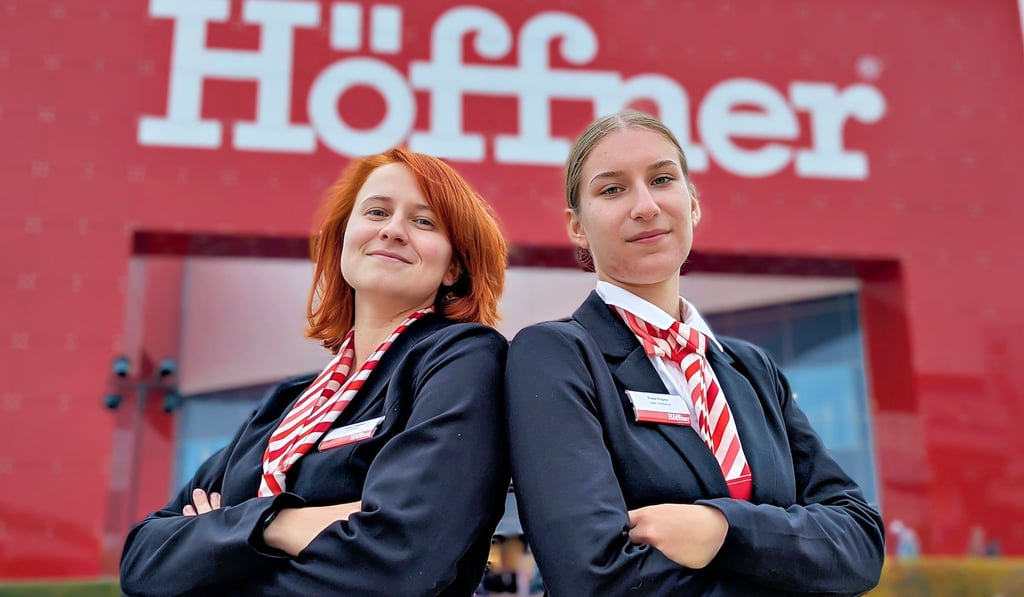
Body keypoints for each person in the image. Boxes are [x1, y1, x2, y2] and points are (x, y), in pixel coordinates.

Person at [504, 110, 885, 595]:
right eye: (612, 189)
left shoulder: (751, 368)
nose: (645, 205)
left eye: (662, 179)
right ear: (576, 227)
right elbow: (594, 577)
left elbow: (861, 543)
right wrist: (788, 561)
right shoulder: (555, 356)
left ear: (693, 205)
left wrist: (720, 531)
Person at [120, 148, 510, 596]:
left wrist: (222, 541)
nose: (392, 230)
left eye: (423, 222)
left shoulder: (462, 359)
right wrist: (278, 524)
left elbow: (399, 561)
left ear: (454, 268)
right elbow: (142, 560)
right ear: (345, 238)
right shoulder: (288, 403)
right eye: (377, 211)